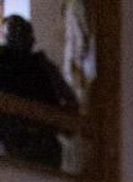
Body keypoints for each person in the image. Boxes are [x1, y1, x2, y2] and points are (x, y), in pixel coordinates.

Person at [0, 15, 76, 169]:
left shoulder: (43, 66)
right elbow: (70, 99)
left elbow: (70, 100)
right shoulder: (43, 65)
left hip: (35, 144)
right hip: (23, 144)